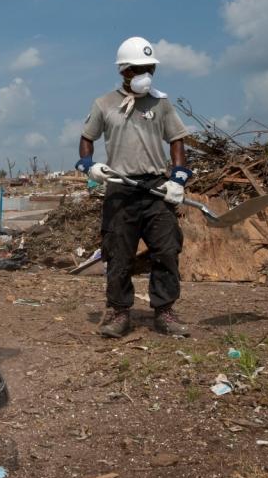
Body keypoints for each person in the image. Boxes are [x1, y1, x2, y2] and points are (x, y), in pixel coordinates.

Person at [76, 36, 192, 338]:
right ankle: (118, 311)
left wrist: (178, 177)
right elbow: (87, 138)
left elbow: (177, 140)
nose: (146, 75)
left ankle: (165, 311)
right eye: (139, 69)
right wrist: (90, 166)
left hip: (156, 189)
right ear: (124, 71)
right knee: (118, 254)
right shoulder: (104, 104)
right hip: (120, 188)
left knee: (166, 251)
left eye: (150, 69)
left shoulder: (161, 103)